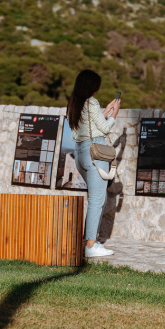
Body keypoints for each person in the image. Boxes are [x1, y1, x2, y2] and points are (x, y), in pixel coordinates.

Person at [67, 69, 120, 258]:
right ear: (92, 87)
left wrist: (104, 112)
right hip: (95, 153)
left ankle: (90, 241)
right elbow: (104, 129)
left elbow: (85, 127)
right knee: (97, 201)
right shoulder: (92, 102)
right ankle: (90, 246)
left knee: (95, 199)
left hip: (80, 154)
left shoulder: (74, 103)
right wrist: (114, 113)